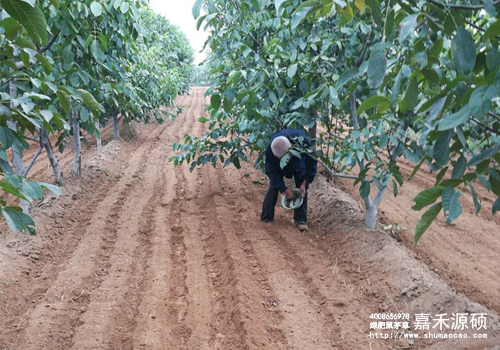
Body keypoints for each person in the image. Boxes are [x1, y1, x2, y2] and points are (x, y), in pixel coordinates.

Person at [260, 128, 318, 231]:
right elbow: (271, 172)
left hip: (297, 161)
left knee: (301, 184)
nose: (284, 161)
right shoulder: (270, 150)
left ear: (291, 148)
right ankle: (266, 217)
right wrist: (284, 190)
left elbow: (312, 165)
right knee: (274, 185)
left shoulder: (303, 143)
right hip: (279, 165)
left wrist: (305, 183)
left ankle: (301, 220)